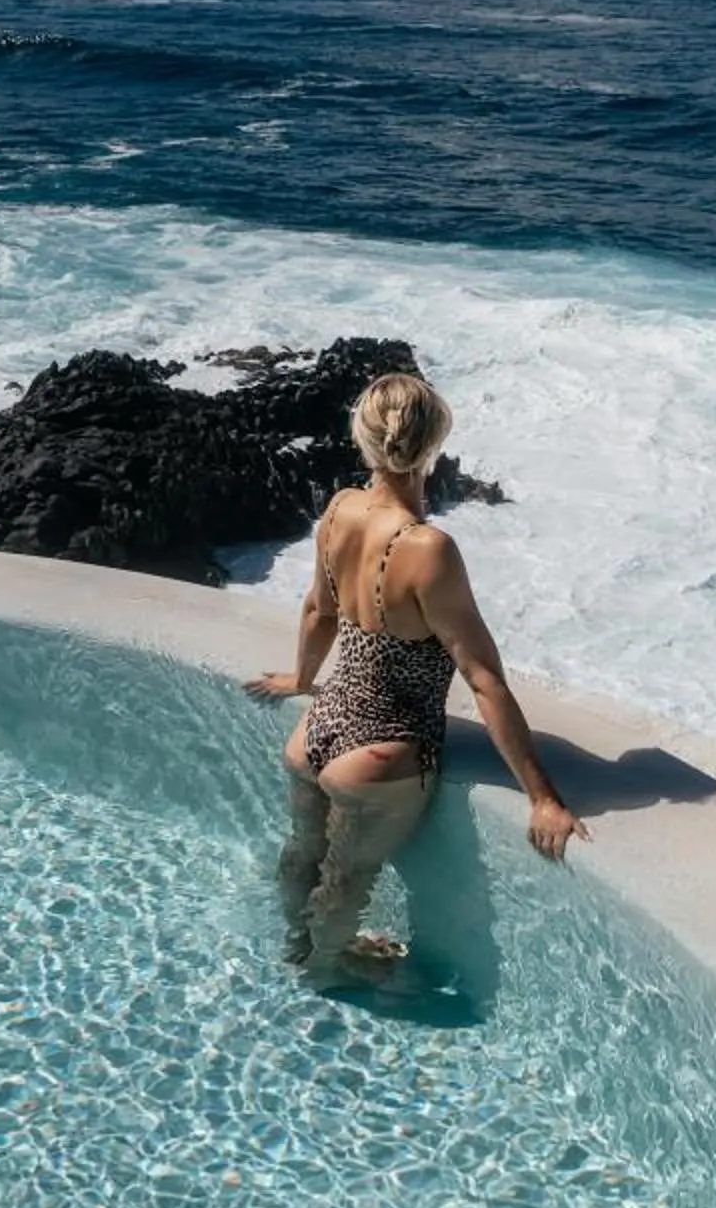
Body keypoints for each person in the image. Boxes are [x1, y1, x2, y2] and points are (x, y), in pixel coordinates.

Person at [246, 371, 586, 986]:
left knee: (303, 852)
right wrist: (543, 797)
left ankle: (298, 942)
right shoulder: (427, 548)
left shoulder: (339, 509)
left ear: (365, 439)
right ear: (431, 446)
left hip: (316, 730)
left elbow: (317, 609)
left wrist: (301, 677)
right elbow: (484, 680)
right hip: (379, 747)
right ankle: (327, 969)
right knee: (348, 877)